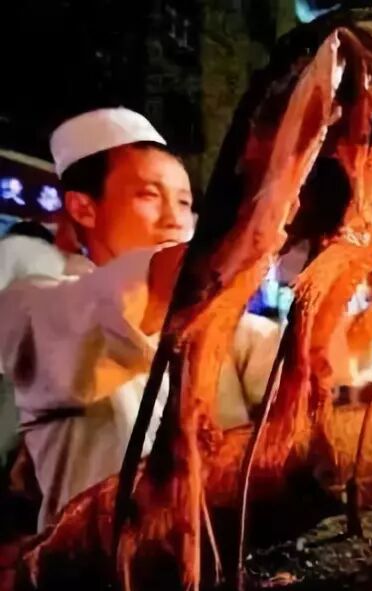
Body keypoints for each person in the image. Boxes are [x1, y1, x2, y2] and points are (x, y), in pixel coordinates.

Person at [0, 108, 279, 528]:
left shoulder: (215, 320)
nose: (175, 219)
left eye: (184, 202)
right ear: (84, 208)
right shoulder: (32, 306)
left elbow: (310, 355)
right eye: (149, 196)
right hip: (98, 562)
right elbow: (113, 307)